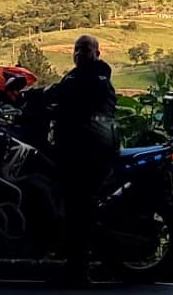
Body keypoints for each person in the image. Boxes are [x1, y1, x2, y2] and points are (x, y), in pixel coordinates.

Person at [42, 34, 118, 286]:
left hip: (89, 151)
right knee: (73, 204)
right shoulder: (83, 76)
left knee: (78, 208)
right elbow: (59, 96)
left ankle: (78, 271)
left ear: (97, 52)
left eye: (84, 49)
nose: (78, 53)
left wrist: (42, 99)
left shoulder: (92, 76)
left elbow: (63, 94)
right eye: (75, 49)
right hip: (84, 147)